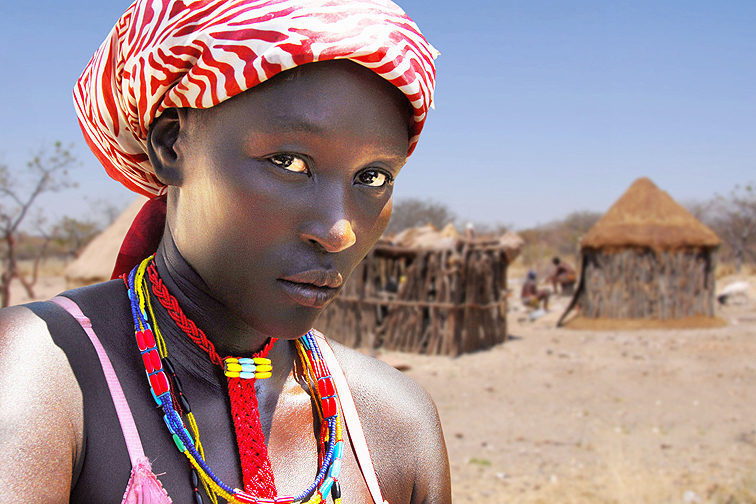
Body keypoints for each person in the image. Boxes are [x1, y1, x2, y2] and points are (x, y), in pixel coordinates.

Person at [0, 1, 450, 503]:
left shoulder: (395, 423)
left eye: (373, 177)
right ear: (171, 147)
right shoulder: (45, 376)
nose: (338, 230)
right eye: (289, 161)